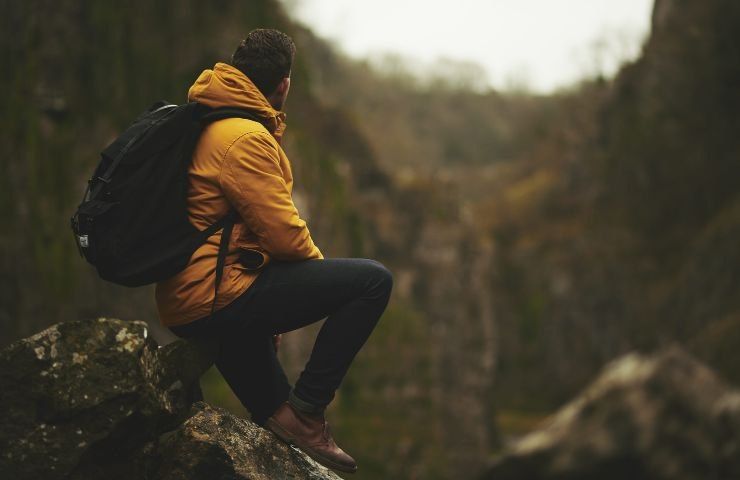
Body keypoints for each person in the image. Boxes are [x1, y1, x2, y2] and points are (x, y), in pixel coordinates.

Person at [154, 29, 392, 474]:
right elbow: (284, 235)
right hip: (214, 297)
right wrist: (309, 290)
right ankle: (310, 410)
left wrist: (270, 300)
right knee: (372, 281)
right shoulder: (243, 137)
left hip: (194, 299)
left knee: (280, 429)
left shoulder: (207, 120)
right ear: (283, 84)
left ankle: (296, 422)